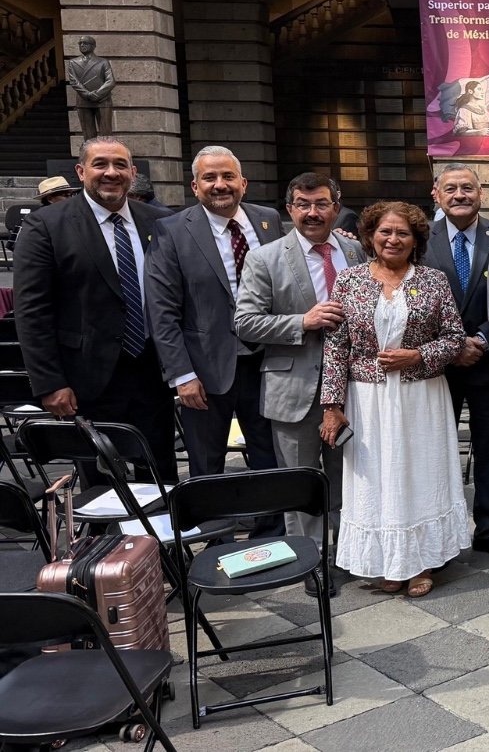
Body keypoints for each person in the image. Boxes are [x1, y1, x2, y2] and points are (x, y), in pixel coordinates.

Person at [318, 202, 470, 599]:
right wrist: (332, 406)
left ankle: (420, 562)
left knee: (420, 475)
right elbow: (336, 347)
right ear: (370, 237)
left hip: (422, 397)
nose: (393, 239)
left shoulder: (433, 281)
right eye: (385, 231)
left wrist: (417, 355)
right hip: (367, 400)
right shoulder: (349, 281)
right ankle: (387, 561)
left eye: (403, 233)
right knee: (376, 479)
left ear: (416, 240)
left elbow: (455, 338)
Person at [13, 136, 177, 480]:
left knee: (160, 475)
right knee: (101, 487)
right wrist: (49, 383)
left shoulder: (160, 221)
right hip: (86, 380)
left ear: (133, 172)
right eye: (100, 164)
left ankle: (160, 518)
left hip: (153, 375)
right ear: (81, 171)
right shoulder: (47, 225)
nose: (111, 173)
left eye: (120, 165)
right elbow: (32, 312)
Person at [144, 146, 285, 535]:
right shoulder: (172, 230)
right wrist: (182, 375)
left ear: (243, 183)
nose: (219, 185)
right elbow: (162, 311)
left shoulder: (269, 220)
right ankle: (215, 539)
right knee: (207, 462)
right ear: (195, 186)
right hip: (203, 370)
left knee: (269, 455)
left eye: (227, 176)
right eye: (209, 178)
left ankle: (271, 534)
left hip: (266, 362)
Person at [236, 172, 365, 593]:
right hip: (295, 390)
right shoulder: (265, 258)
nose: (313, 213)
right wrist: (302, 322)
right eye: (303, 205)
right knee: (301, 481)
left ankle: (350, 552)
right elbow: (245, 322)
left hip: (355, 389)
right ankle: (311, 561)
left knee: (350, 477)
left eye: (321, 204)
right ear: (289, 209)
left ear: (336, 207)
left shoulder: (356, 250)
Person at [422, 165, 489, 559]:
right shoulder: (418, 239)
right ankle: (438, 532)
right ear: (436, 194)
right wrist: (451, 344)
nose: (459, 195)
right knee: (433, 452)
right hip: (435, 368)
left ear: (482, 194)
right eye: (451, 188)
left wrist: (480, 339)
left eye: (467, 187)